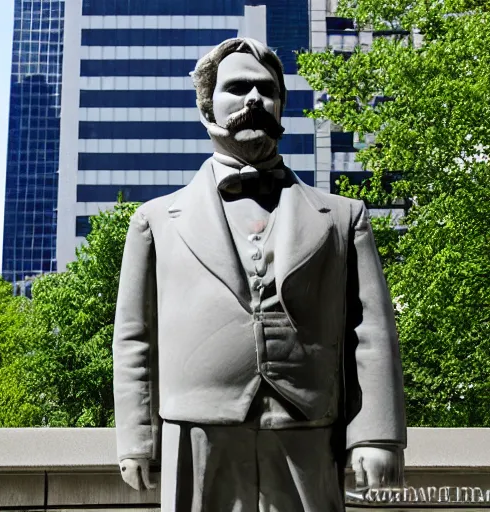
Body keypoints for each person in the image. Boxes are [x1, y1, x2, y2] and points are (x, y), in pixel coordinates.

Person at [113, 38, 406, 512]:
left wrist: (377, 433)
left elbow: (369, 329)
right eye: (237, 88)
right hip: (195, 430)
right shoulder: (155, 220)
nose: (253, 99)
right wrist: (136, 437)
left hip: (310, 429)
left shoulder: (343, 217)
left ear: (280, 105)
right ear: (206, 106)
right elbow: (135, 337)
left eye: (265, 89)